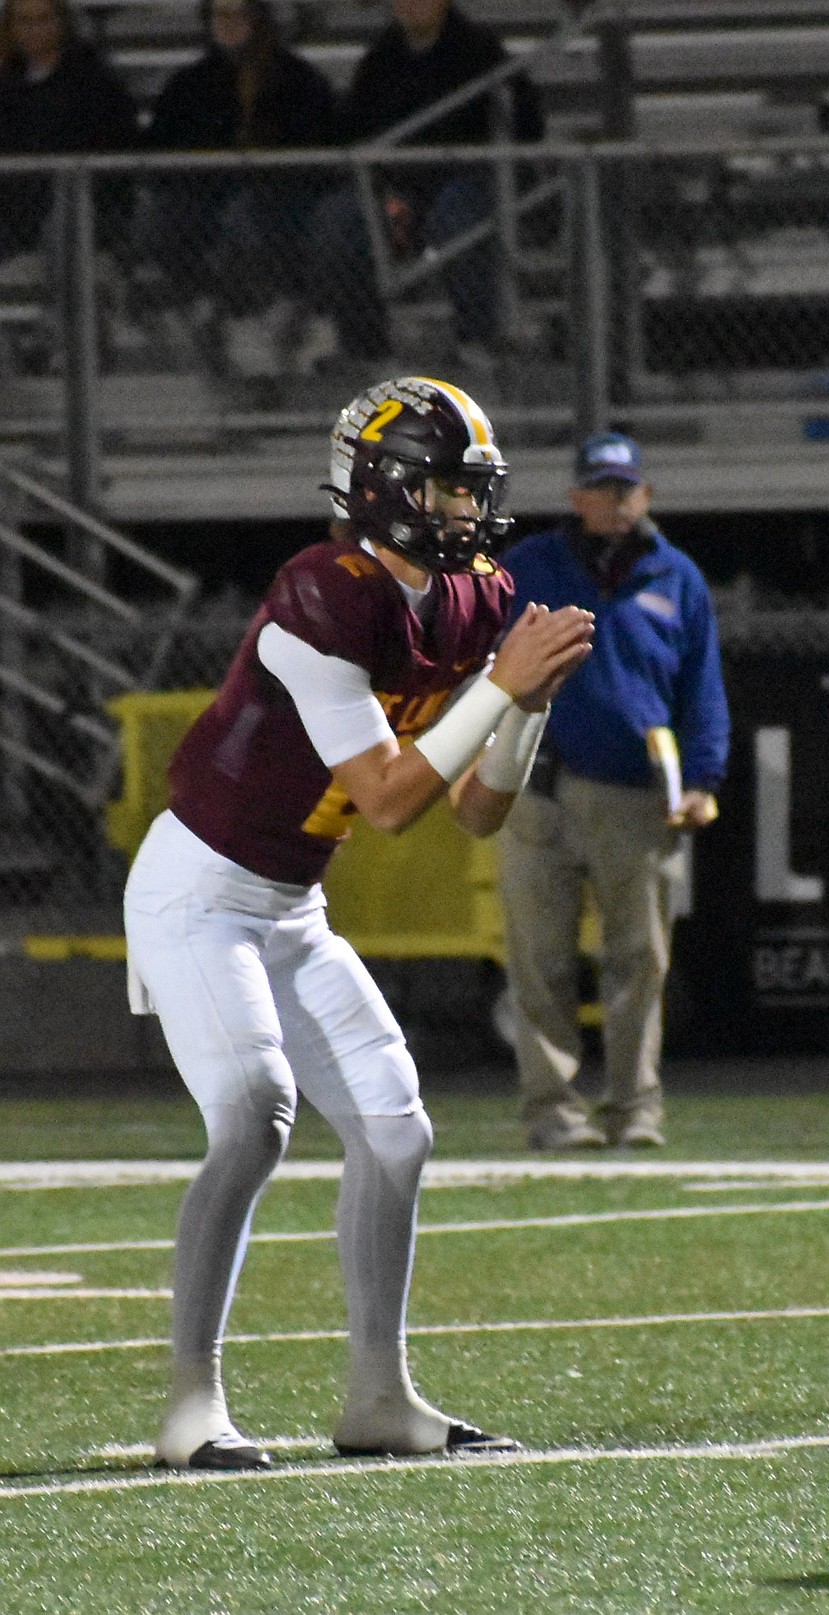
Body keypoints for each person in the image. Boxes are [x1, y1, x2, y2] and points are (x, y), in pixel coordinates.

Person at [122, 375, 594, 1469]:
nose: (466, 514)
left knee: (397, 1127)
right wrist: (500, 688)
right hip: (198, 890)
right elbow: (388, 800)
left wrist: (526, 705)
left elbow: (479, 811)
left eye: (473, 492)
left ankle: (379, 1397)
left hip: (289, 903)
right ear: (382, 489)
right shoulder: (320, 593)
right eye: (443, 489)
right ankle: (191, 1401)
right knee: (252, 1112)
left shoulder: (471, 598)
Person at [495, 432, 730, 1152]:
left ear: (647, 495)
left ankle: (635, 1109)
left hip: (635, 792)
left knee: (639, 960)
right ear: (577, 498)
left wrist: (704, 777)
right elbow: (475, 659)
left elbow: (702, 689)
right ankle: (554, 1113)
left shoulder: (676, 576)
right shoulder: (528, 566)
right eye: (604, 488)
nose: (618, 501)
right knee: (540, 960)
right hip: (536, 787)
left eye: (628, 488)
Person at [307, 0, 544, 366]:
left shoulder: (480, 50)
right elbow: (355, 133)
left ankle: (477, 338)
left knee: (456, 211)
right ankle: (362, 345)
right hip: (402, 196)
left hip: (470, 185)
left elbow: (528, 124)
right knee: (341, 216)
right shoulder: (380, 59)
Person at [135, 0, 339, 378]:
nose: (229, 24)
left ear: (257, 19)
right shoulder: (187, 85)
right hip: (205, 202)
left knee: (243, 219)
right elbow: (157, 158)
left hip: (283, 204)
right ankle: (204, 306)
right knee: (160, 216)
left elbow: (322, 159)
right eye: (220, 15)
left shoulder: (299, 81)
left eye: (238, 14)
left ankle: (254, 314)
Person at [0, 0, 140, 265]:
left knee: (61, 232)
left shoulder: (92, 80)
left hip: (81, 208)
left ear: (62, 22)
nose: (34, 30)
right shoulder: (7, 83)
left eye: (43, 20)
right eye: (24, 22)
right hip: (15, 206)